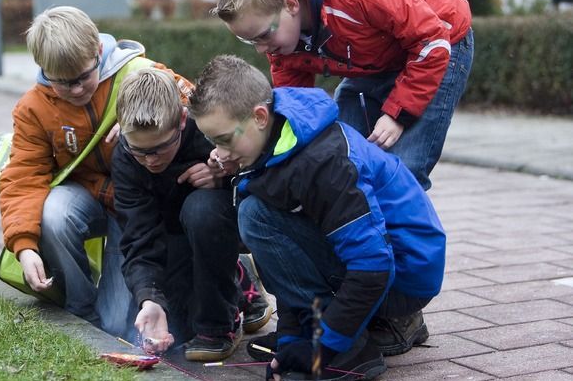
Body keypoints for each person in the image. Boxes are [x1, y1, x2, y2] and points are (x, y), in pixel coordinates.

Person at [189, 55, 447, 380]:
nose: (219, 153)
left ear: (258, 116)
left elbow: (373, 265)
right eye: (213, 142)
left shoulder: (322, 163)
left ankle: (351, 352)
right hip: (383, 269)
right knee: (259, 213)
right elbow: (287, 259)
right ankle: (315, 331)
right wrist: (290, 341)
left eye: (225, 139)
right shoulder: (276, 140)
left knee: (256, 217)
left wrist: (325, 348)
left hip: (401, 279)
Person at [0, 6, 194, 340]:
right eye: (63, 83)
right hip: (87, 198)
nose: (76, 90)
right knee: (53, 210)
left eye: (83, 77)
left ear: (98, 51)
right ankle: (79, 309)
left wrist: (138, 115)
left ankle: (235, 272)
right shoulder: (34, 108)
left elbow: (193, 103)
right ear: (43, 69)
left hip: (134, 209)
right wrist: (24, 245)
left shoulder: (138, 72)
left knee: (118, 324)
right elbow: (23, 178)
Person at [214, 0, 474, 191]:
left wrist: (397, 114)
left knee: (404, 168)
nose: (261, 49)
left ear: (291, 5)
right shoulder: (281, 44)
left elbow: (431, 42)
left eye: (262, 36)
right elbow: (296, 113)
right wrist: (240, 149)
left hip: (440, 43)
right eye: (250, 41)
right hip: (381, 56)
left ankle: (402, 238)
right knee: (339, 158)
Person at [112, 67, 255, 361]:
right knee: (173, 325)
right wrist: (149, 298)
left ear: (181, 120)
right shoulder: (126, 158)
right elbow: (138, 237)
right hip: (168, 237)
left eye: (161, 148)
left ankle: (221, 325)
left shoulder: (209, 130)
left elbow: (261, 180)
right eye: (140, 151)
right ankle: (240, 279)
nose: (150, 161)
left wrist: (225, 176)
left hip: (214, 221)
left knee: (201, 209)